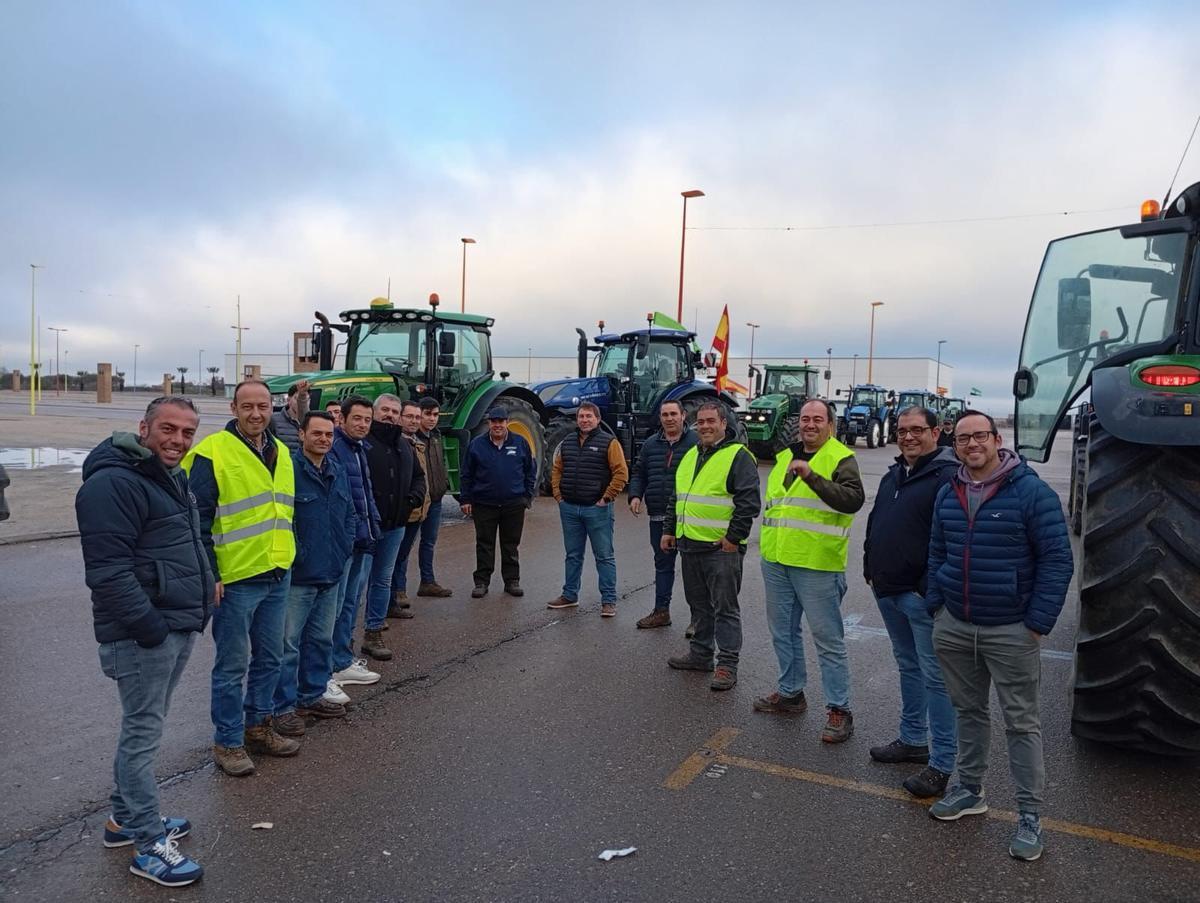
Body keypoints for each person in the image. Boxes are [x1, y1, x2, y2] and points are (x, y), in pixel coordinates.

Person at [76, 396, 211, 887]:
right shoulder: (113, 483)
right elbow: (108, 573)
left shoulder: (165, 475)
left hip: (172, 623)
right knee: (142, 736)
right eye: (168, 429)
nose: (177, 440)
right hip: (143, 633)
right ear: (144, 428)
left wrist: (203, 594)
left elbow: (189, 541)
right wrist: (151, 628)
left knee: (146, 728)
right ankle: (149, 844)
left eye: (186, 432)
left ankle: (122, 821)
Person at [926, 411, 1073, 862]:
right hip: (956, 625)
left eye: (980, 436)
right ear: (955, 444)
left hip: (1010, 629)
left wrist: (1036, 622)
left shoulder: (1031, 492)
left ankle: (1029, 814)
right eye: (963, 437)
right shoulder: (947, 493)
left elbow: (1057, 561)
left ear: (996, 439)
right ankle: (970, 790)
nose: (972, 444)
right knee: (968, 712)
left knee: (1021, 722)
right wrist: (937, 604)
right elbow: (936, 550)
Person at [184, 380, 299, 777]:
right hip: (235, 578)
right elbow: (194, 522)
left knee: (270, 658)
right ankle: (229, 741)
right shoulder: (211, 452)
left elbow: (282, 512)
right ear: (233, 407)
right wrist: (210, 573)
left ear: (272, 407)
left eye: (263, 406)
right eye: (247, 406)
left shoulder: (281, 451)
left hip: (276, 572)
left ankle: (258, 726)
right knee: (232, 666)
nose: (255, 414)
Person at [754, 399, 864, 742]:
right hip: (777, 560)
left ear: (830, 424)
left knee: (828, 640)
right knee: (783, 633)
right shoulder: (785, 456)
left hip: (817, 564)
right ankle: (790, 693)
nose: (810, 425)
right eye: (805, 419)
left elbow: (852, 500)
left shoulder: (840, 457)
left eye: (818, 419)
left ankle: (839, 709)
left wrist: (812, 476)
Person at [863, 407, 959, 797]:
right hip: (887, 589)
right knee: (909, 667)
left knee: (937, 678)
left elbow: (953, 538)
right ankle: (913, 739)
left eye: (917, 430)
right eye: (902, 430)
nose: (908, 437)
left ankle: (942, 763)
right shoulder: (894, 474)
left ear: (936, 432)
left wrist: (928, 588)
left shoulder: (948, 477)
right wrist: (870, 564)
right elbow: (877, 522)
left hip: (920, 597)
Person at [663, 402, 760, 690]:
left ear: (723, 424)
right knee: (700, 606)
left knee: (725, 608)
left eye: (710, 421)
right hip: (690, 545)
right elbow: (677, 497)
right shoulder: (691, 455)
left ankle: (727, 665)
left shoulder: (738, 456)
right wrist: (669, 530)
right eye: (700, 422)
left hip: (721, 550)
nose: (704, 426)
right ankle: (701, 655)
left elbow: (748, 503)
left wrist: (733, 538)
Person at [272, 411, 357, 739]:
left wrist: (344, 547)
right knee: (288, 644)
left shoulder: (336, 469)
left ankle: (311, 694)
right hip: (300, 575)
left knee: (321, 639)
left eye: (328, 434)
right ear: (303, 435)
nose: (323, 439)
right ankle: (283, 707)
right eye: (317, 434)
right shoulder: (289, 470)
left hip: (331, 571)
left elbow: (348, 513)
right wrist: (298, 556)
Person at [353, 394, 424, 661]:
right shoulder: (362, 444)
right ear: (374, 411)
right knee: (356, 585)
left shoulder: (404, 446)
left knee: (382, 581)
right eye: (385, 410)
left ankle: (373, 633)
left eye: (395, 411)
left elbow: (419, 477)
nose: (390, 415)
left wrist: (411, 500)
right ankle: (344, 640)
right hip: (365, 527)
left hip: (395, 526)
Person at [549, 402, 629, 615]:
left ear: (598, 419)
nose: (584, 420)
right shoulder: (567, 442)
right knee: (573, 555)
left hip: (597, 509)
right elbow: (557, 469)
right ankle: (569, 595)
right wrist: (558, 495)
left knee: (604, 556)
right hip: (570, 508)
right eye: (581, 417)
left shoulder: (609, 443)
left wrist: (606, 498)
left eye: (588, 416)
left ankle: (609, 600)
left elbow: (621, 473)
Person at [627, 400, 698, 630]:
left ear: (683, 416)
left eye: (673, 414)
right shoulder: (650, 444)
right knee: (663, 566)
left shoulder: (696, 443)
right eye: (665, 414)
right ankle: (661, 612)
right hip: (659, 516)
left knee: (693, 571)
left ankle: (697, 620)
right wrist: (635, 495)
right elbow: (639, 472)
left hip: (689, 518)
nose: (669, 418)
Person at [328, 395, 383, 689]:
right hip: (346, 542)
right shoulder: (337, 448)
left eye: (367, 419)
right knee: (335, 609)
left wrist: (373, 525)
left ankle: (341, 661)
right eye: (357, 418)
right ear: (343, 419)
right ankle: (328, 669)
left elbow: (365, 492)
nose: (363, 424)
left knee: (350, 604)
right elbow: (340, 500)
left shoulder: (359, 449)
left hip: (363, 537)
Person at [459, 406, 536, 598]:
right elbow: (466, 474)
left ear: (507, 422)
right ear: (489, 423)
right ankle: (482, 582)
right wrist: (466, 498)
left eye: (501, 421)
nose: (497, 425)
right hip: (484, 504)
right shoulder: (477, 445)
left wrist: (526, 496)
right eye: (494, 421)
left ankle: (512, 581)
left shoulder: (520, 443)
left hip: (513, 504)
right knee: (485, 544)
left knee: (510, 544)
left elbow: (530, 471)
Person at [389, 400, 433, 613]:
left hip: (418, 510)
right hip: (403, 512)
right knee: (394, 557)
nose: (414, 421)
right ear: (400, 417)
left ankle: (397, 593)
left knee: (402, 555)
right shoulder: (397, 443)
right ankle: (393, 597)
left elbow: (420, 477)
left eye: (417, 417)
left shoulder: (417, 443)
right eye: (410, 416)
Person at [270, 380, 310, 452]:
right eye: (296, 398)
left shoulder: (312, 422)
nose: (299, 402)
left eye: (306, 399)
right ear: (288, 400)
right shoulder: (273, 420)